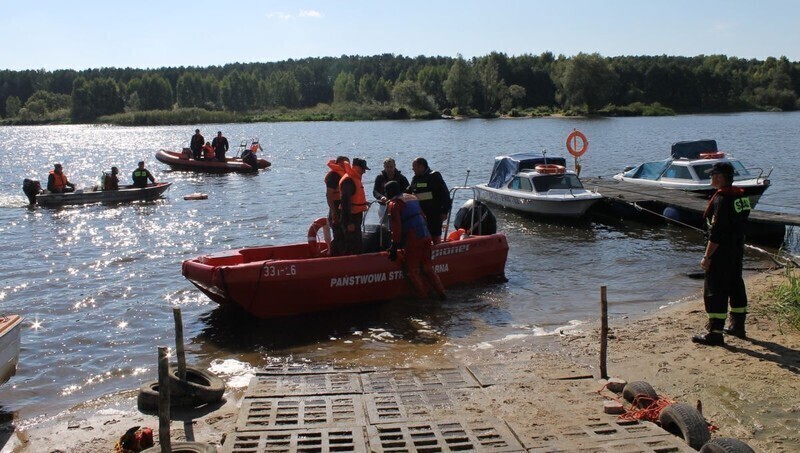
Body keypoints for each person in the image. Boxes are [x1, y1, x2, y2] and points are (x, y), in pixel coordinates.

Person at [692, 162, 751, 346]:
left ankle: (715, 333)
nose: (710, 178)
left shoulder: (722, 199)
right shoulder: (741, 196)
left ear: (719, 177)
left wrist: (707, 257)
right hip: (736, 250)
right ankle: (738, 326)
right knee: (735, 284)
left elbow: (716, 233)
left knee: (714, 291)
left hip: (721, 253)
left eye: (712, 175)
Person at [385, 181, 446, 300]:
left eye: (386, 192)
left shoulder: (394, 204)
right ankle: (442, 294)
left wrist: (394, 246)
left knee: (412, 271)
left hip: (413, 238)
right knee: (428, 268)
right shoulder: (412, 198)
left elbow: (396, 227)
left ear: (390, 192)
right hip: (425, 235)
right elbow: (423, 216)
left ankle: (423, 299)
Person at [407, 157, 451, 244]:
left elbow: (445, 194)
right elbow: (408, 190)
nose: (412, 169)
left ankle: (437, 249)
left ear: (421, 166)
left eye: (414, 167)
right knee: (422, 234)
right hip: (421, 213)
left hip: (434, 211)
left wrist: (444, 211)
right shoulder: (416, 178)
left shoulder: (434, 175)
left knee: (435, 233)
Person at [338, 158, 370, 255]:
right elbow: (345, 202)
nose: (364, 171)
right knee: (352, 244)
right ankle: (351, 265)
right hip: (351, 217)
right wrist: (349, 222)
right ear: (357, 168)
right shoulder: (349, 180)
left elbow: (354, 198)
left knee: (357, 243)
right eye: (363, 169)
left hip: (356, 215)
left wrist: (365, 202)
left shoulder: (354, 178)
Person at [324, 156, 350, 256]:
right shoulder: (334, 176)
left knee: (345, 236)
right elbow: (329, 195)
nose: (347, 165)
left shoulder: (345, 175)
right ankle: (333, 258)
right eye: (345, 163)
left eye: (348, 163)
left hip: (343, 209)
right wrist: (334, 213)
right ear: (338, 163)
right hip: (336, 210)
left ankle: (344, 257)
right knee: (339, 236)